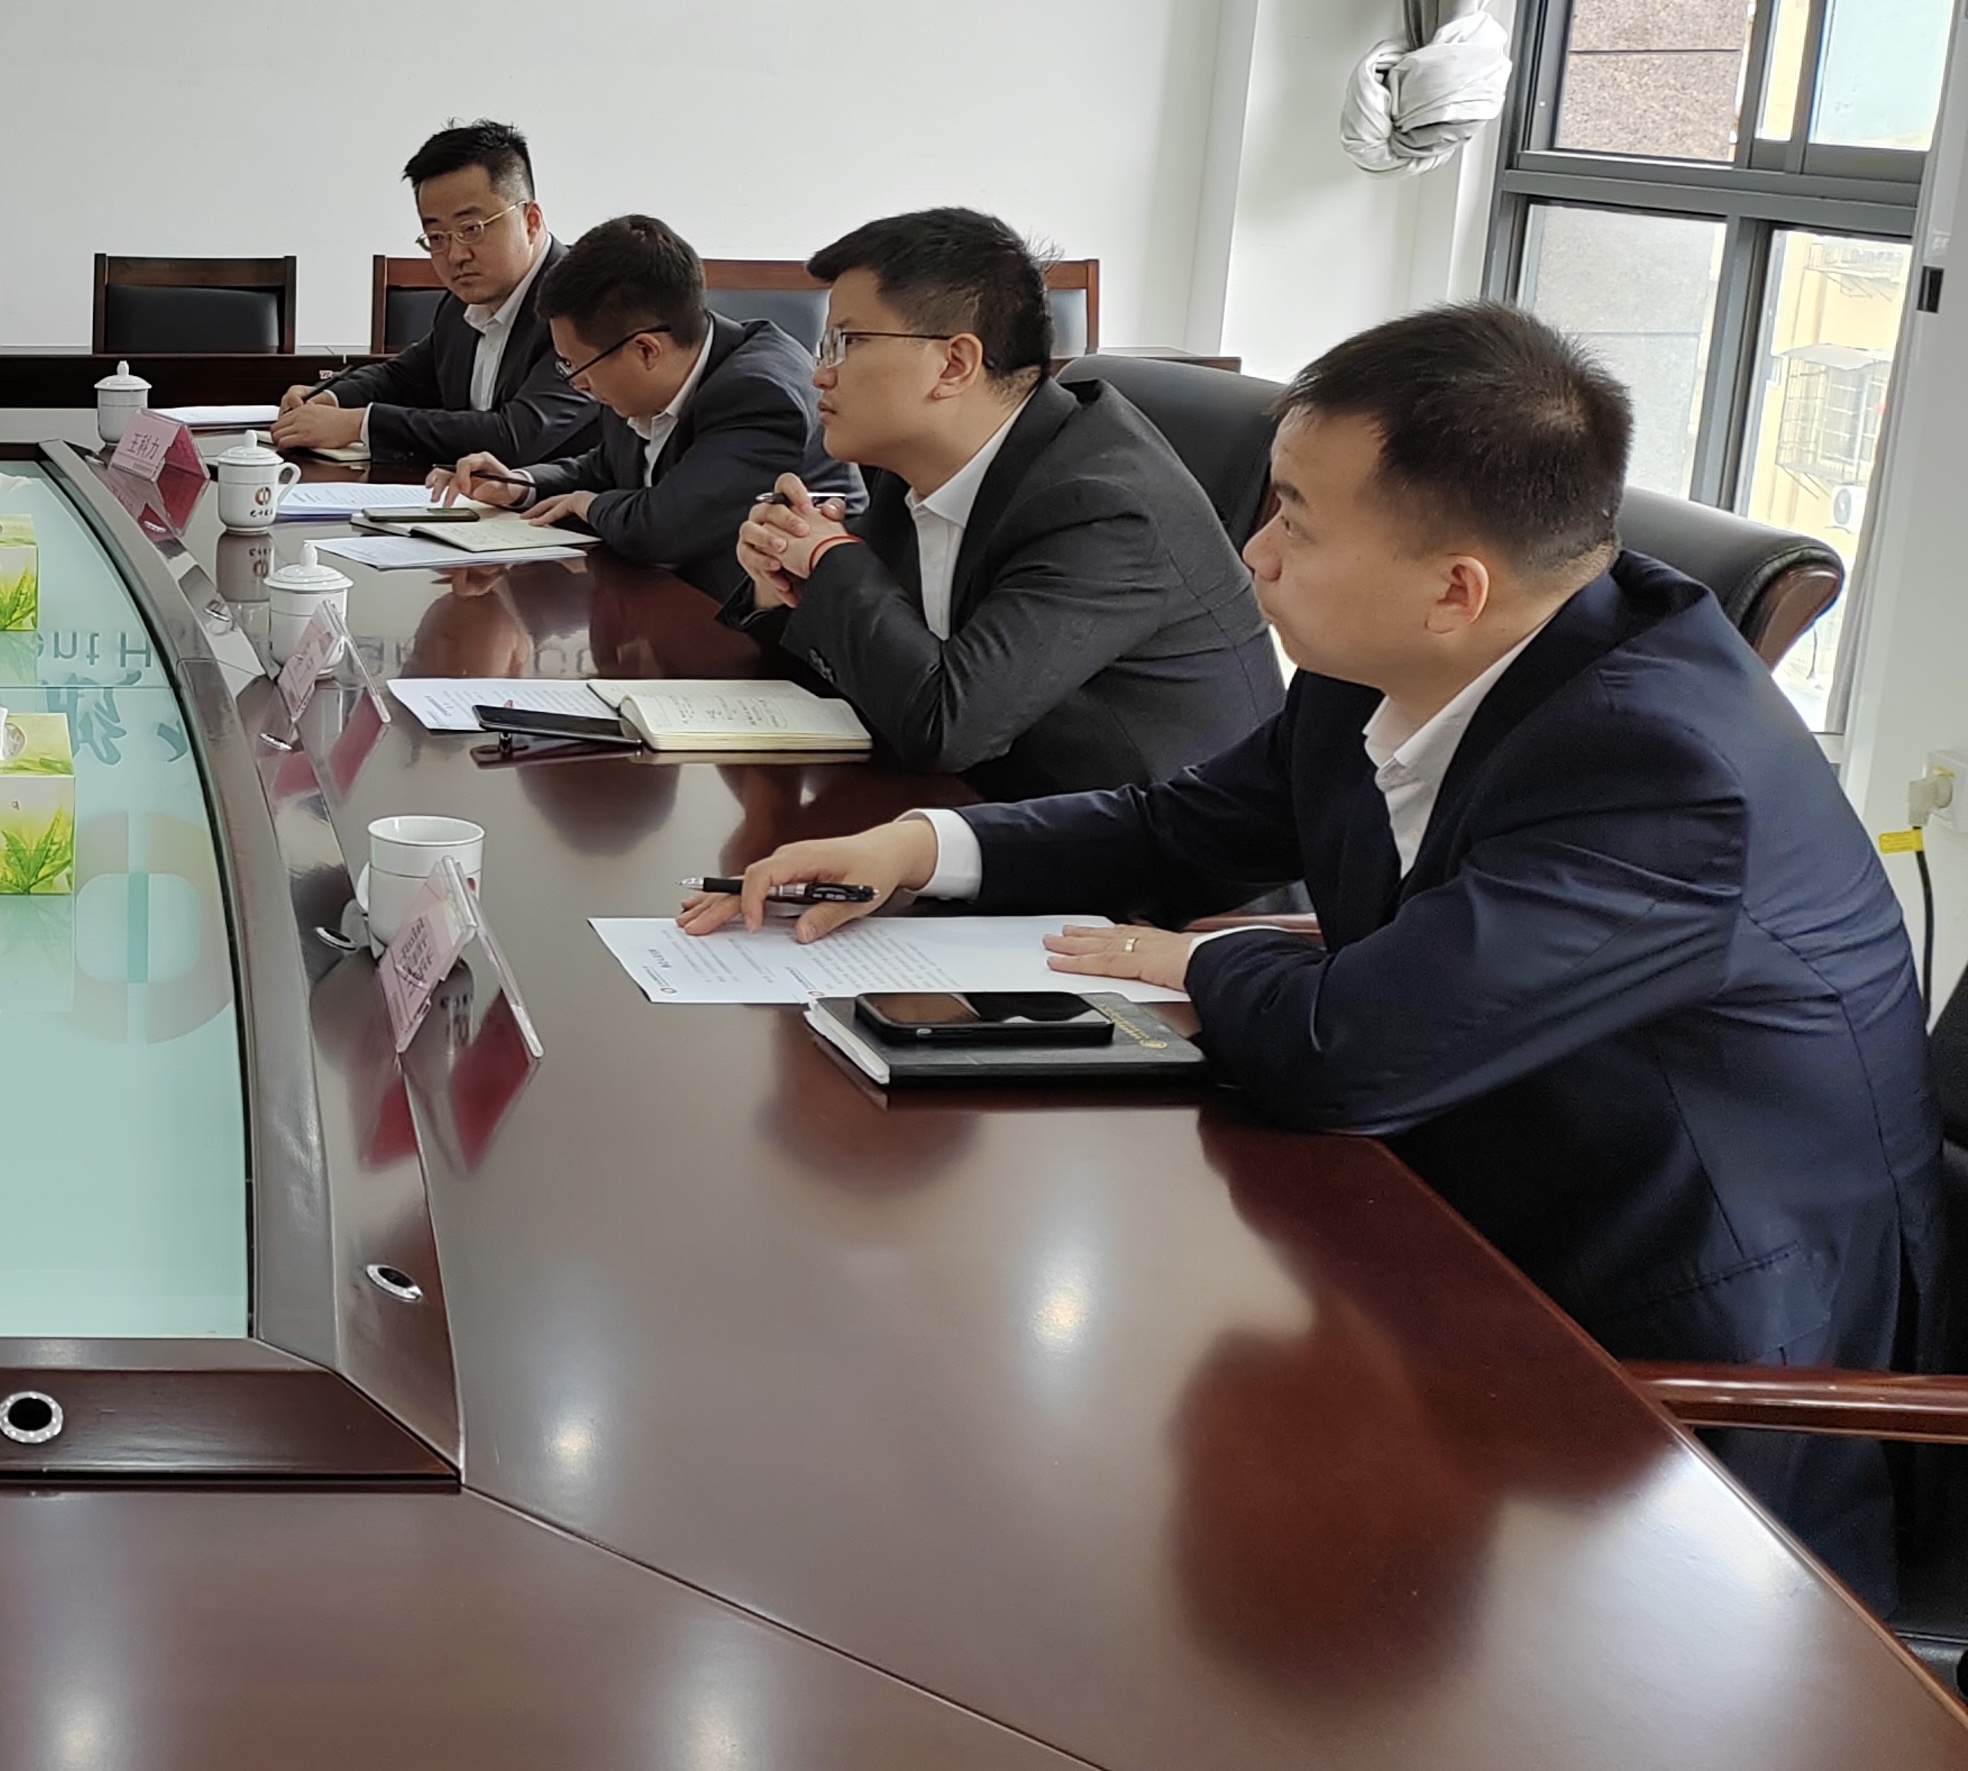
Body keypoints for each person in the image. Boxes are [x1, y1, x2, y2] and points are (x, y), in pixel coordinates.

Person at [689, 303, 1940, 1602]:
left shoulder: (1665, 767)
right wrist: (921, 846)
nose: (1255, 552)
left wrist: (1194, 962)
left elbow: (1350, 1049)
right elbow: (1179, 828)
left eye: (1293, 517)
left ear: (1455, 585)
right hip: (1453, 1229)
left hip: (1670, 1390)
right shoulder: (1387, 659)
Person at [723, 208, 1274, 797]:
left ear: (954, 364)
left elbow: (948, 725)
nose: (820, 374)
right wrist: (785, 581)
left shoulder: (1105, 508)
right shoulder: (913, 465)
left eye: (846, 343)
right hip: (997, 804)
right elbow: (879, 659)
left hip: (1148, 839)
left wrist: (831, 556)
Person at [432, 213, 856, 596]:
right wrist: (520, 484)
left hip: (762, 633)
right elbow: (604, 468)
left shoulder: (758, 394)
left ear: (646, 351)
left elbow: (667, 527)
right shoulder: (638, 382)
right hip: (661, 607)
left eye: (577, 366)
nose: (576, 383)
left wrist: (588, 504)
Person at [271, 121, 597, 470]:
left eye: (472, 229)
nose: (455, 255)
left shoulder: (583, 302)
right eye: (437, 237)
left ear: (530, 220)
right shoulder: (462, 304)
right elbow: (402, 377)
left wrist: (359, 424)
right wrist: (329, 397)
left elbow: (515, 437)